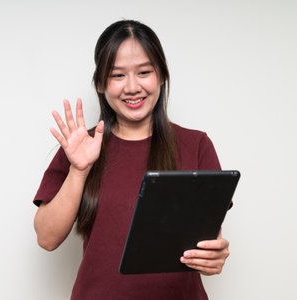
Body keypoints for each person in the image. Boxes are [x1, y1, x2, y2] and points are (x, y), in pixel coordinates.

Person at [33, 20, 230, 300]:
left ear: (161, 75)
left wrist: (213, 256)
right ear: (101, 83)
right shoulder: (80, 147)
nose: (132, 87)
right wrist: (79, 169)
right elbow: (46, 238)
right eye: (117, 75)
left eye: (144, 72)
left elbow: (209, 239)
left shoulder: (196, 144)